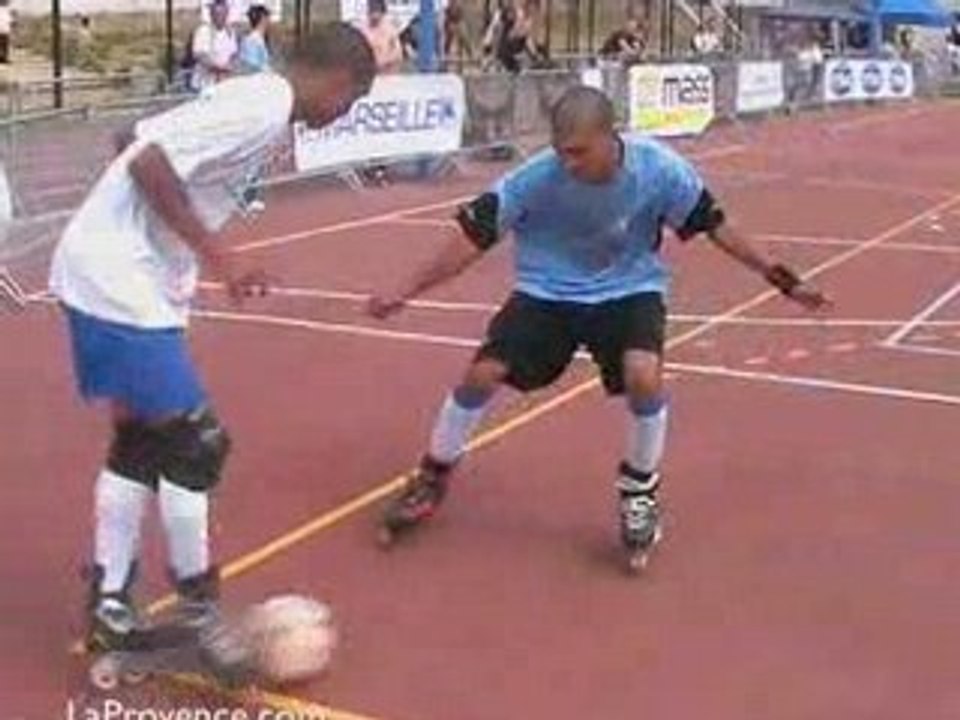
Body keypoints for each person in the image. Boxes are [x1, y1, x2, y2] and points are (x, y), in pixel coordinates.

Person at [368, 86, 830, 563]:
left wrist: (782, 279)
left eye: (579, 152)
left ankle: (639, 491)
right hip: (548, 292)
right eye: (560, 151)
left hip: (630, 289)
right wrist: (406, 291)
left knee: (643, 375)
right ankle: (433, 475)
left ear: (610, 137)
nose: (568, 163)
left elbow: (715, 225)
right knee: (481, 374)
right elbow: (470, 240)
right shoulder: (533, 180)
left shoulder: (659, 170)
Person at [48, 22, 375, 653]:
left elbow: (131, 138)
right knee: (195, 443)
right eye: (353, 102)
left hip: (131, 275)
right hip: (118, 276)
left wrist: (169, 248)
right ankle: (198, 608)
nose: (344, 115)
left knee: (143, 441)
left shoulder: (260, 103)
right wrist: (218, 256)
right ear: (338, 82)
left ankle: (110, 602)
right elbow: (145, 158)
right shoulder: (266, 103)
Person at [189, 0, 239, 92]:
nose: (220, 17)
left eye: (223, 14)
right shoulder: (203, 31)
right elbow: (199, 55)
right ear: (211, 15)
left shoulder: (230, 32)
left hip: (224, 81)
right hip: (204, 83)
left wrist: (230, 66)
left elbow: (234, 54)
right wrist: (218, 68)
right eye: (217, 14)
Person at [358, 0, 403, 74]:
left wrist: (385, 62)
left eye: (377, 10)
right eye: (372, 10)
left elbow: (398, 54)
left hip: (387, 74)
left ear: (382, 12)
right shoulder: (363, 30)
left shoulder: (390, 30)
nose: (374, 14)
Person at [238, 4, 272, 73]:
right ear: (263, 19)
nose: (269, 21)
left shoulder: (259, 39)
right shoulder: (251, 41)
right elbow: (251, 68)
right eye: (268, 18)